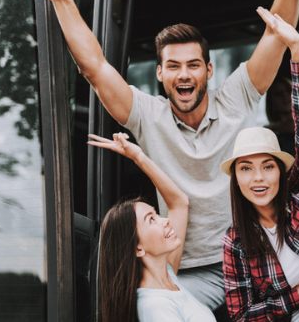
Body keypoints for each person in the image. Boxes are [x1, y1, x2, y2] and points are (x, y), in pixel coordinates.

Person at [27, 0, 299, 309]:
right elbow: (94, 67)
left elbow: (277, 35)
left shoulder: (236, 97)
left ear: (209, 71)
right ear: (160, 74)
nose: (184, 74)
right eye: (173, 66)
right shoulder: (147, 114)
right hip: (190, 273)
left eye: (193, 65)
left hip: (252, 258)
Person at [221, 8, 299, 322]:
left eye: (267, 166)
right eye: (246, 169)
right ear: (236, 179)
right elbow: (240, 316)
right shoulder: (235, 240)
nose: (258, 178)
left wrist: (297, 50)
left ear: (281, 170)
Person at [88, 133, 213, 322]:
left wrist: (138, 156)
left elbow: (179, 202)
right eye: (151, 220)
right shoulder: (156, 306)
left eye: (156, 214)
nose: (165, 220)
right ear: (138, 248)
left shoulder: (167, 276)